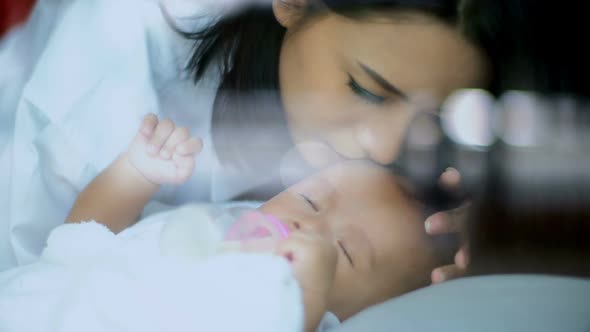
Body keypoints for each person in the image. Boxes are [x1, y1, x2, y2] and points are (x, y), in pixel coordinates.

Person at [0, 0, 486, 270]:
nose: (385, 149)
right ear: (295, 4)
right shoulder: (110, 80)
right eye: (367, 91)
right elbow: (41, 277)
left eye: (434, 118)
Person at [65, 115, 454, 331]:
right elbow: (77, 244)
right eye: (309, 200)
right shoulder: (216, 223)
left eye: (342, 252)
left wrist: (302, 303)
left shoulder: (308, 321)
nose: (308, 229)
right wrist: (135, 173)